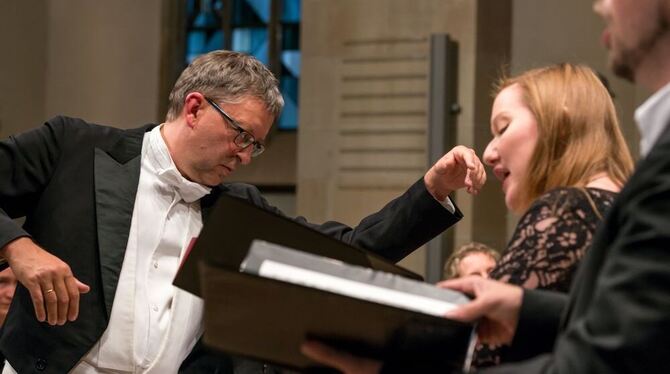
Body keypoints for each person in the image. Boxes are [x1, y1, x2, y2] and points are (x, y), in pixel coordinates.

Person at [0, 50, 485, 373]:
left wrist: (431, 190)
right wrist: (17, 247)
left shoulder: (236, 209)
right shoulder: (74, 148)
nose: (247, 156)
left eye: (257, 145)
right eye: (241, 136)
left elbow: (348, 250)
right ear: (194, 108)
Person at [302, 0, 670, 372]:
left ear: (559, 121)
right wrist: (527, 309)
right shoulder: (620, 197)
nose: (490, 151)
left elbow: (490, 360)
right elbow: (620, 323)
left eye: (503, 128)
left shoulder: (565, 208)